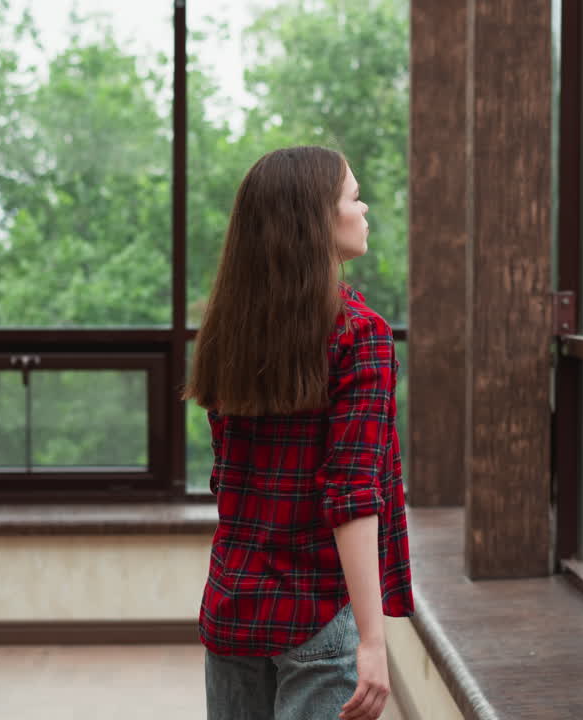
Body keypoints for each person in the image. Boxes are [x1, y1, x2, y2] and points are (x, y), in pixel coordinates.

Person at [184, 146, 413, 720]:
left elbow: (228, 479)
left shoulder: (229, 331)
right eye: (354, 198)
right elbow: (353, 494)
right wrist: (372, 641)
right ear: (317, 220)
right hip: (317, 613)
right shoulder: (359, 335)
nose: (365, 210)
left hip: (233, 603)